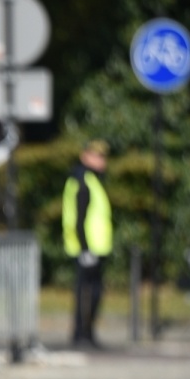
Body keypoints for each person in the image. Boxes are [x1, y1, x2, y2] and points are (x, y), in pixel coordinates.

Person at [62, 139, 113, 348]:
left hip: (96, 247)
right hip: (86, 248)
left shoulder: (92, 179)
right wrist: (85, 249)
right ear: (85, 156)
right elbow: (79, 219)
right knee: (86, 294)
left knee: (93, 294)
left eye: (103, 156)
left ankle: (87, 334)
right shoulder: (82, 180)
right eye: (97, 155)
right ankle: (81, 335)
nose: (102, 160)